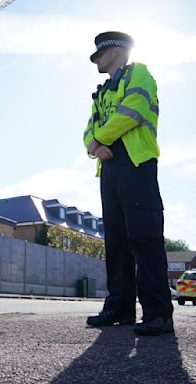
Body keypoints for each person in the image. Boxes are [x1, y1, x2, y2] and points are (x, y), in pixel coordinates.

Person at [83, 32, 173, 335]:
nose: (97, 59)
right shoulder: (100, 92)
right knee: (117, 241)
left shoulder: (140, 74)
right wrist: (94, 145)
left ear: (118, 51)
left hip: (136, 162)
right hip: (108, 167)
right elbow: (87, 130)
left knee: (144, 237)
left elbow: (132, 110)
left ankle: (158, 313)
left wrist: (99, 140)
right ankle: (119, 308)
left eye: (101, 54)